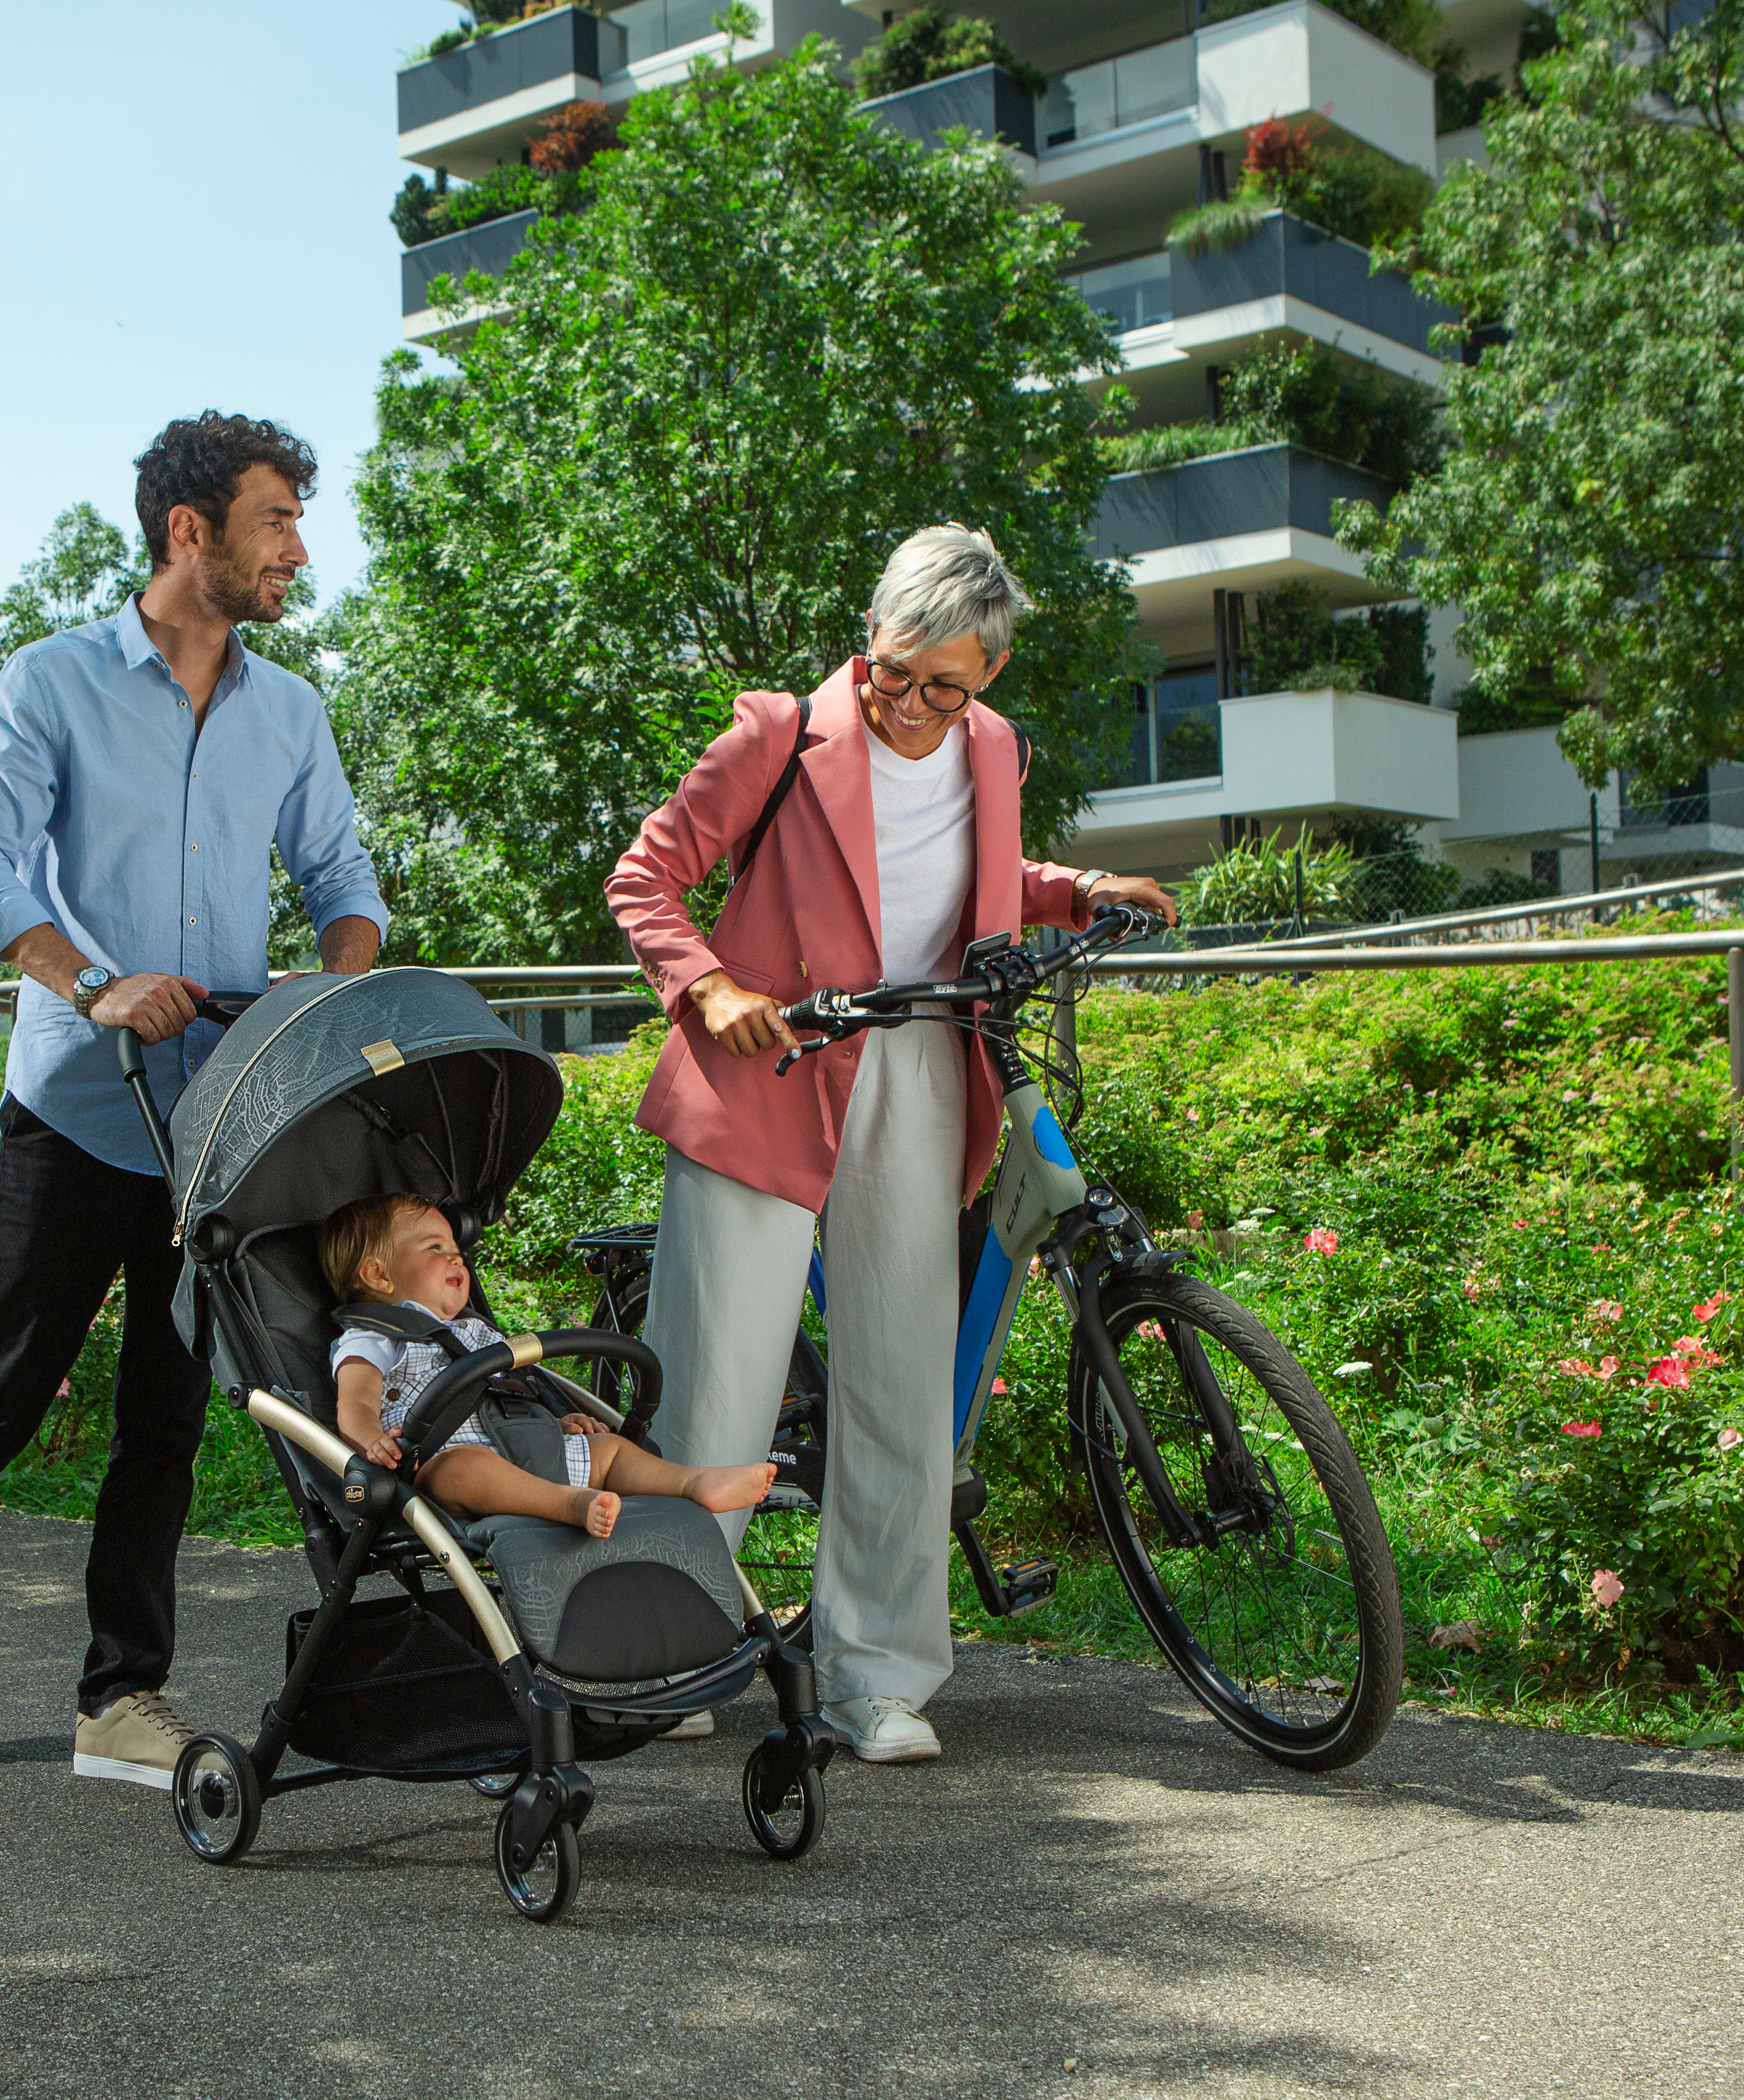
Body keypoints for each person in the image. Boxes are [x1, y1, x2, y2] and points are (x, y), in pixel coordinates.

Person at [0, 413, 387, 1784]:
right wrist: (88, 978)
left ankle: (120, 1692)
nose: (298, 550)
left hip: (218, 1108)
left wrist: (329, 997)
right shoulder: (54, 684)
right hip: (81, 1098)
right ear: (187, 530)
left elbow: (341, 882)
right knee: (8, 1388)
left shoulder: (288, 710)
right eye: (275, 520)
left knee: (168, 1404)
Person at [605, 524, 1174, 1765]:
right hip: (770, 1066)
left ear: (990, 679)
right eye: (892, 671)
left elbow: (962, 870)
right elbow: (645, 878)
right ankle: (672, 1649)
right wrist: (705, 988)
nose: (910, 704)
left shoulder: (992, 751)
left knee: (905, 1382)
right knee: (717, 1381)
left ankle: (877, 1674)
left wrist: (1077, 891)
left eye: (944, 685)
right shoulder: (775, 733)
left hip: (921, 1058)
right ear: (869, 637)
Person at [321, 1193, 776, 1538]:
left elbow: (511, 1391)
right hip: (446, 1458)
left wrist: (560, 1421)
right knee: (462, 1470)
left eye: (456, 1245)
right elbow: (355, 1401)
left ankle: (694, 1482)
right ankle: (570, 1505)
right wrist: (370, 1442)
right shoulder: (373, 1336)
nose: (456, 1255)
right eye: (435, 1247)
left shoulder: (475, 1332)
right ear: (378, 1275)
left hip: (531, 1447)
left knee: (611, 1452)